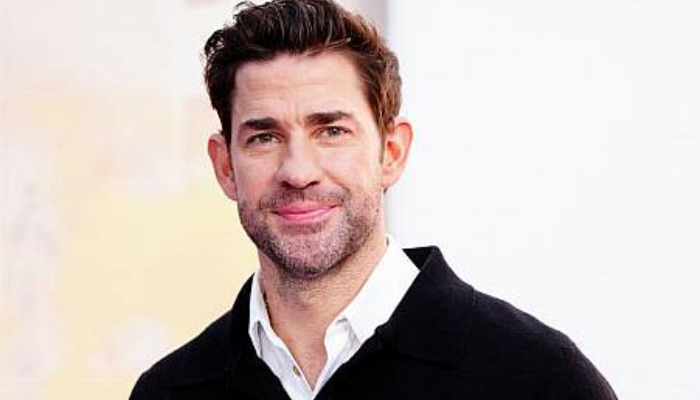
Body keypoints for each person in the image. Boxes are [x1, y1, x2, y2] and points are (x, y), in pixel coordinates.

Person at [130, 0, 618, 399]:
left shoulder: (538, 380)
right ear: (225, 166)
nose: (298, 171)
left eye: (332, 131)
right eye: (264, 137)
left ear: (391, 152)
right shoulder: (168, 392)